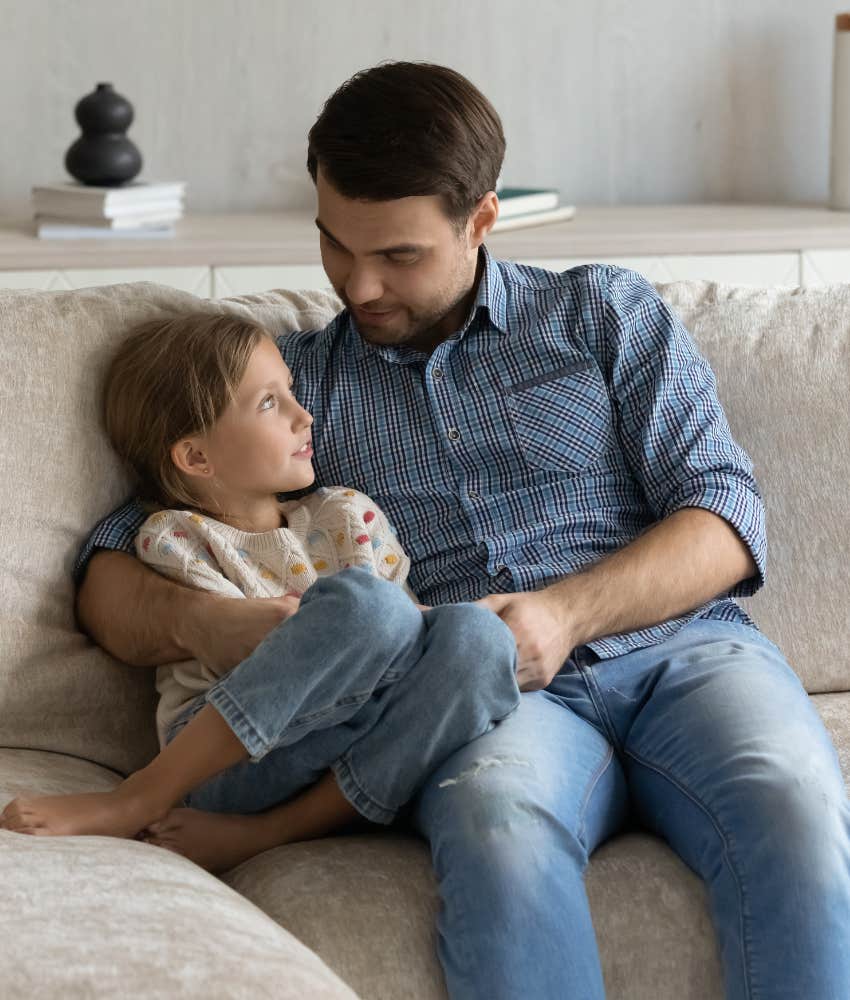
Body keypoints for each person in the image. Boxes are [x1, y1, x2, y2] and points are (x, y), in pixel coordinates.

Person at [36, 60, 850, 999]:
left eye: (400, 255)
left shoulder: (603, 315)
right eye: (335, 245)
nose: (359, 284)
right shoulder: (301, 391)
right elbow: (112, 560)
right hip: (491, 696)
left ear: (482, 220)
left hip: (690, 657)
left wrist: (565, 615)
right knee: (496, 828)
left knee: (792, 803)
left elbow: (727, 518)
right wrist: (205, 624)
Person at [0, 312, 520, 853]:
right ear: (196, 456)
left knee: (479, 637)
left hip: (364, 747)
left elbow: (416, 649)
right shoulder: (177, 538)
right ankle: (142, 795)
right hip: (230, 760)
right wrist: (343, 624)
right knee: (372, 606)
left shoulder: (347, 515)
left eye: (290, 392)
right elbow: (259, 665)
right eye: (270, 403)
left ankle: (266, 835)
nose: (305, 416)